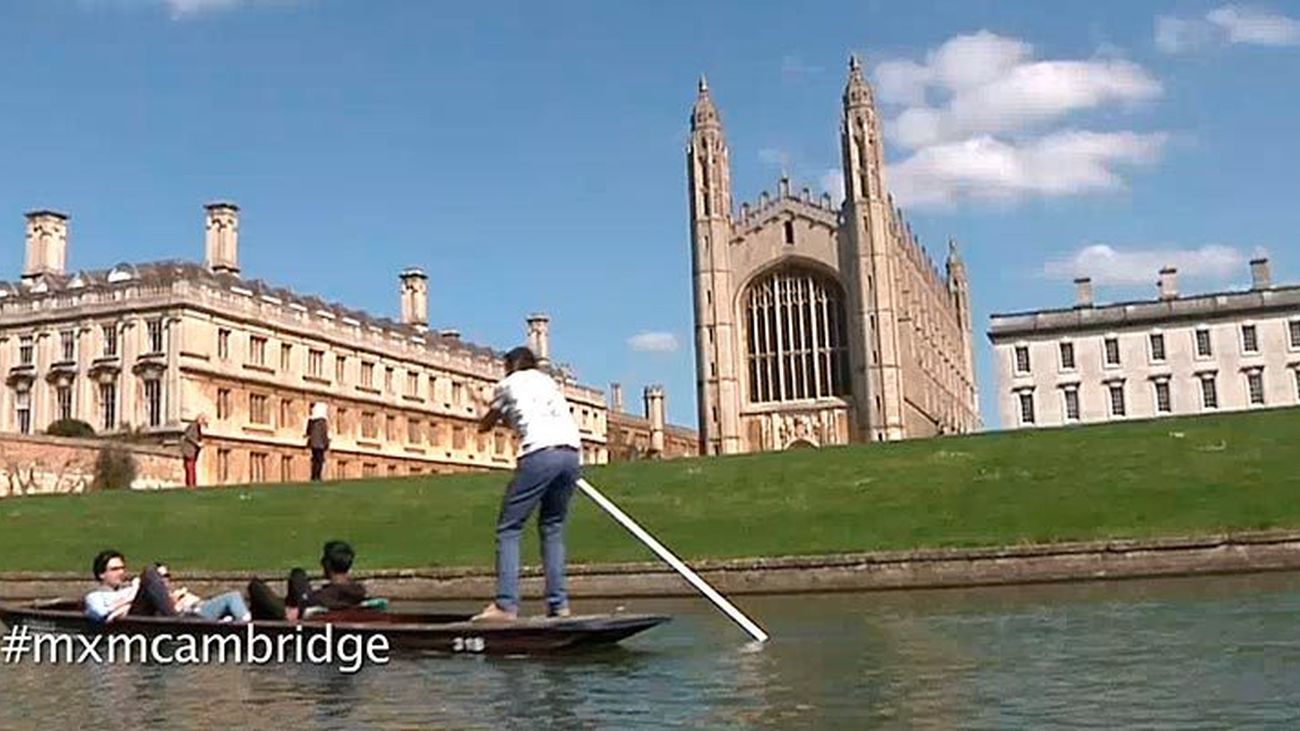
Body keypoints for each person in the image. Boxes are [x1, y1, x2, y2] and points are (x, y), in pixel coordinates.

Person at [472, 346, 582, 621]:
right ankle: (559, 605)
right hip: (571, 454)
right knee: (552, 528)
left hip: (539, 455)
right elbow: (518, 420)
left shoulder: (506, 384)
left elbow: (486, 425)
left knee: (509, 528)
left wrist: (480, 404)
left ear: (509, 366)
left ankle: (505, 605)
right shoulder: (547, 383)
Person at [246, 540, 367, 621]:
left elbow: (311, 605)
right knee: (298, 575)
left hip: (296, 621)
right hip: (307, 610)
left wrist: (298, 610)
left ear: (327, 564)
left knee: (256, 587)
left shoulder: (324, 597)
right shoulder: (358, 591)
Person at [84, 549, 177, 622]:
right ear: (101, 574)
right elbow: (101, 613)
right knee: (149, 573)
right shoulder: (94, 596)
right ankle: (176, 624)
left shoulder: (128, 589)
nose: (121, 572)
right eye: (115, 569)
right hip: (126, 629)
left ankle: (176, 622)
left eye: (122, 568)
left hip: (144, 622)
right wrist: (129, 598)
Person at [155, 563, 251, 623]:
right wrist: (177, 602)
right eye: (161, 576)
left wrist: (186, 598)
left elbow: (198, 601)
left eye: (167, 576)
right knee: (232, 597)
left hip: (200, 608)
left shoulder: (174, 592)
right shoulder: (159, 597)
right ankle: (246, 622)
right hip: (195, 615)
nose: (165, 579)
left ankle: (239, 620)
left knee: (234, 597)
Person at [305, 402, 330, 482]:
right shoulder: (322, 421)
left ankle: (314, 476)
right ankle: (317, 476)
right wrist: (326, 444)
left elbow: (308, 432)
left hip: (314, 443)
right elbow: (324, 434)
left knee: (315, 459)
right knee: (319, 460)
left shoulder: (311, 420)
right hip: (320, 443)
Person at [181, 414, 206, 488]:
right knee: (190, 468)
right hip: (189, 450)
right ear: (199, 419)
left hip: (193, 450)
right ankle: (190, 485)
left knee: (192, 467)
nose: (203, 422)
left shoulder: (197, 427)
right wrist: (197, 443)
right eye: (202, 420)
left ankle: (193, 484)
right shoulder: (193, 426)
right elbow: (188, 435)